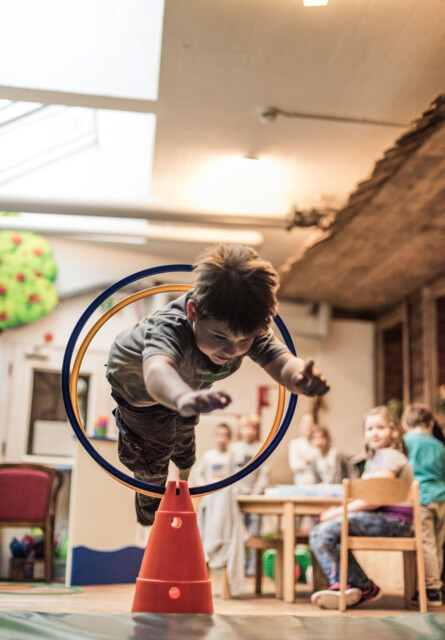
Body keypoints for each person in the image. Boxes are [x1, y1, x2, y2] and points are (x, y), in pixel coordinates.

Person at [106, 244, 329, 526]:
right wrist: (181, 397)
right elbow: (156, 371)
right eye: (219, 336)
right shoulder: (169, 326)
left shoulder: (245, 327)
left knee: (185, 436)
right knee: (154, 453)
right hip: (139, 389)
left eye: (244, 341)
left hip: (188, 386)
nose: (232, 350)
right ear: (192, 312)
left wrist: (299, 377)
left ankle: (183, 469)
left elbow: (282, 361)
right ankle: (151, 505)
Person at [309, 405, 414, 609]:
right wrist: (339, 509)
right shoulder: (375, 459)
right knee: (320, 531)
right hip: (380, 518)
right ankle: (349, 584)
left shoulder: (389, 456)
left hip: (394, 520)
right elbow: (369, 498)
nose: (374, 433)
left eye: (380, 427)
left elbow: (377, 499)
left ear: (393, 431)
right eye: (370, 429)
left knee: (326, 531)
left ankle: (357, 586)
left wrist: (339, 512)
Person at [402, 402, 445, 607]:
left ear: (406, 424)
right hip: (442, 498)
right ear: (430, 423)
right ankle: (437, 585)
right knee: (437, 545)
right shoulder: (439, 445)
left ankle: (432, 590)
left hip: (422, 499)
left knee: (426, 544)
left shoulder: (406, 442)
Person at [231, 414, 269, 576]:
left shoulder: (262, 448)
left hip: (255, 498)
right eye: (245, 428)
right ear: (240, 430)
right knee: (237, 534)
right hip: (237, 498)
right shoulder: (233, 449)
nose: (249, 431)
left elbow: (264, 474)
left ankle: (254, 568)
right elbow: (229, 472)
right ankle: (239, 567)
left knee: (254, 534)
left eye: (252, 428)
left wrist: (255, 493)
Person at [288, 412, 318, 485]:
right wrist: (307, 461)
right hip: (300, 485)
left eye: (311, 422)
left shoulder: (317, 444)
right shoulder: (295, 444)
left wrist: (304, 459)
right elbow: (294, 466)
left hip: (317, 485)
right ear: (300, 425)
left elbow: (320, 465)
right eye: (305, 422)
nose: (308, 426)